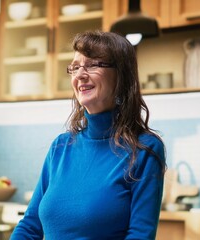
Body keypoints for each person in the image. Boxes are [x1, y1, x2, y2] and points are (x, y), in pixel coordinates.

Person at [10, 30, 166, 240]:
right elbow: (30, 226)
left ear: (121, 75)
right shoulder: (61, 147)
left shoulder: (144, 149)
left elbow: (140, 235)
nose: (80, 75)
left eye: (93, 65)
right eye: (75, 67)